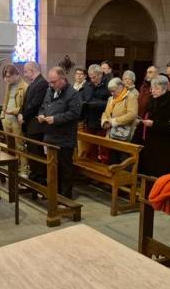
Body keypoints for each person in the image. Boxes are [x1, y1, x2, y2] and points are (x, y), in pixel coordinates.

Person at [37, 67, 81, 198]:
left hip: (65, 138)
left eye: (54, 81)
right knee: (51, 168)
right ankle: (53, 193)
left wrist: (56, 119)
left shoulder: (73, 94)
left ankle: (65, 196)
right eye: (50, 81)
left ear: (62, 79)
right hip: (50, 136)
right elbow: (43, 107)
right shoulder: (49, 91)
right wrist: (41, 115)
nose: (51, 84)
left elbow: (74, 114)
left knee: (65, 169)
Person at [139, 75, 170, 177]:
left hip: (164, 147)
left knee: (160, 175)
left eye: (156, 88)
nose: (153, 91)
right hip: (150, 143)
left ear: (164, 89)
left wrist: (154, 124)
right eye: (152, 88)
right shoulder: (152, 101)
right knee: (148, 173)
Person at [19, 62, 48, 183]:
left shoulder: (42, 83)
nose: (25, 75)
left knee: (36, 151)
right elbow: (25, 102)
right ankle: (34, 174)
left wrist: (24, 116)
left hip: (36, 125)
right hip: (29, 123)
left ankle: (40, 177)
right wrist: (20, 113)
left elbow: (35, 104)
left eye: (26, 72)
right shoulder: (33, 84)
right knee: (31, 151)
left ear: (32, 70)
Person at [0, 64, 29, 177]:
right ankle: (13, 168)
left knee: (20, 146)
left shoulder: (25, 87)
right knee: (10, 145)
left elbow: (25, 106)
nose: (7, 79)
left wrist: (14, 111)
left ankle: (23, 170)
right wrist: (3, 114)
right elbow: (5, 100)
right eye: (6, 77)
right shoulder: (9, 85)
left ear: (17, 74)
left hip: (17, 120)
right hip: (6, 118)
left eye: (9, 76)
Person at [101, 77, 138, 161]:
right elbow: (105, 113)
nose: (112, 93)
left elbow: (132, 114)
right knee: (113, 159)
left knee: (124, 160)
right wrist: (105, 122)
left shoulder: (130, 97)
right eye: (110, 91)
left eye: (114, 91)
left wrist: (114, 122)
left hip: (124, 135)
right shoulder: (111, 99)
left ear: (121, 87)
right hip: (111, 134)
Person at [83, 64, 111, 162]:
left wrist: (94, 103)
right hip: (89, 119)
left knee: (103, 147)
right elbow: (85, 98)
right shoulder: (88, 85)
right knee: (90, 146)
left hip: (101, 121)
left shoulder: (108, 85)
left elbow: (110, 102)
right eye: (90, 77)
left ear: (100, 74)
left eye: (93, 77)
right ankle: (91, 164)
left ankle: (103, 165)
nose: (91, 79)